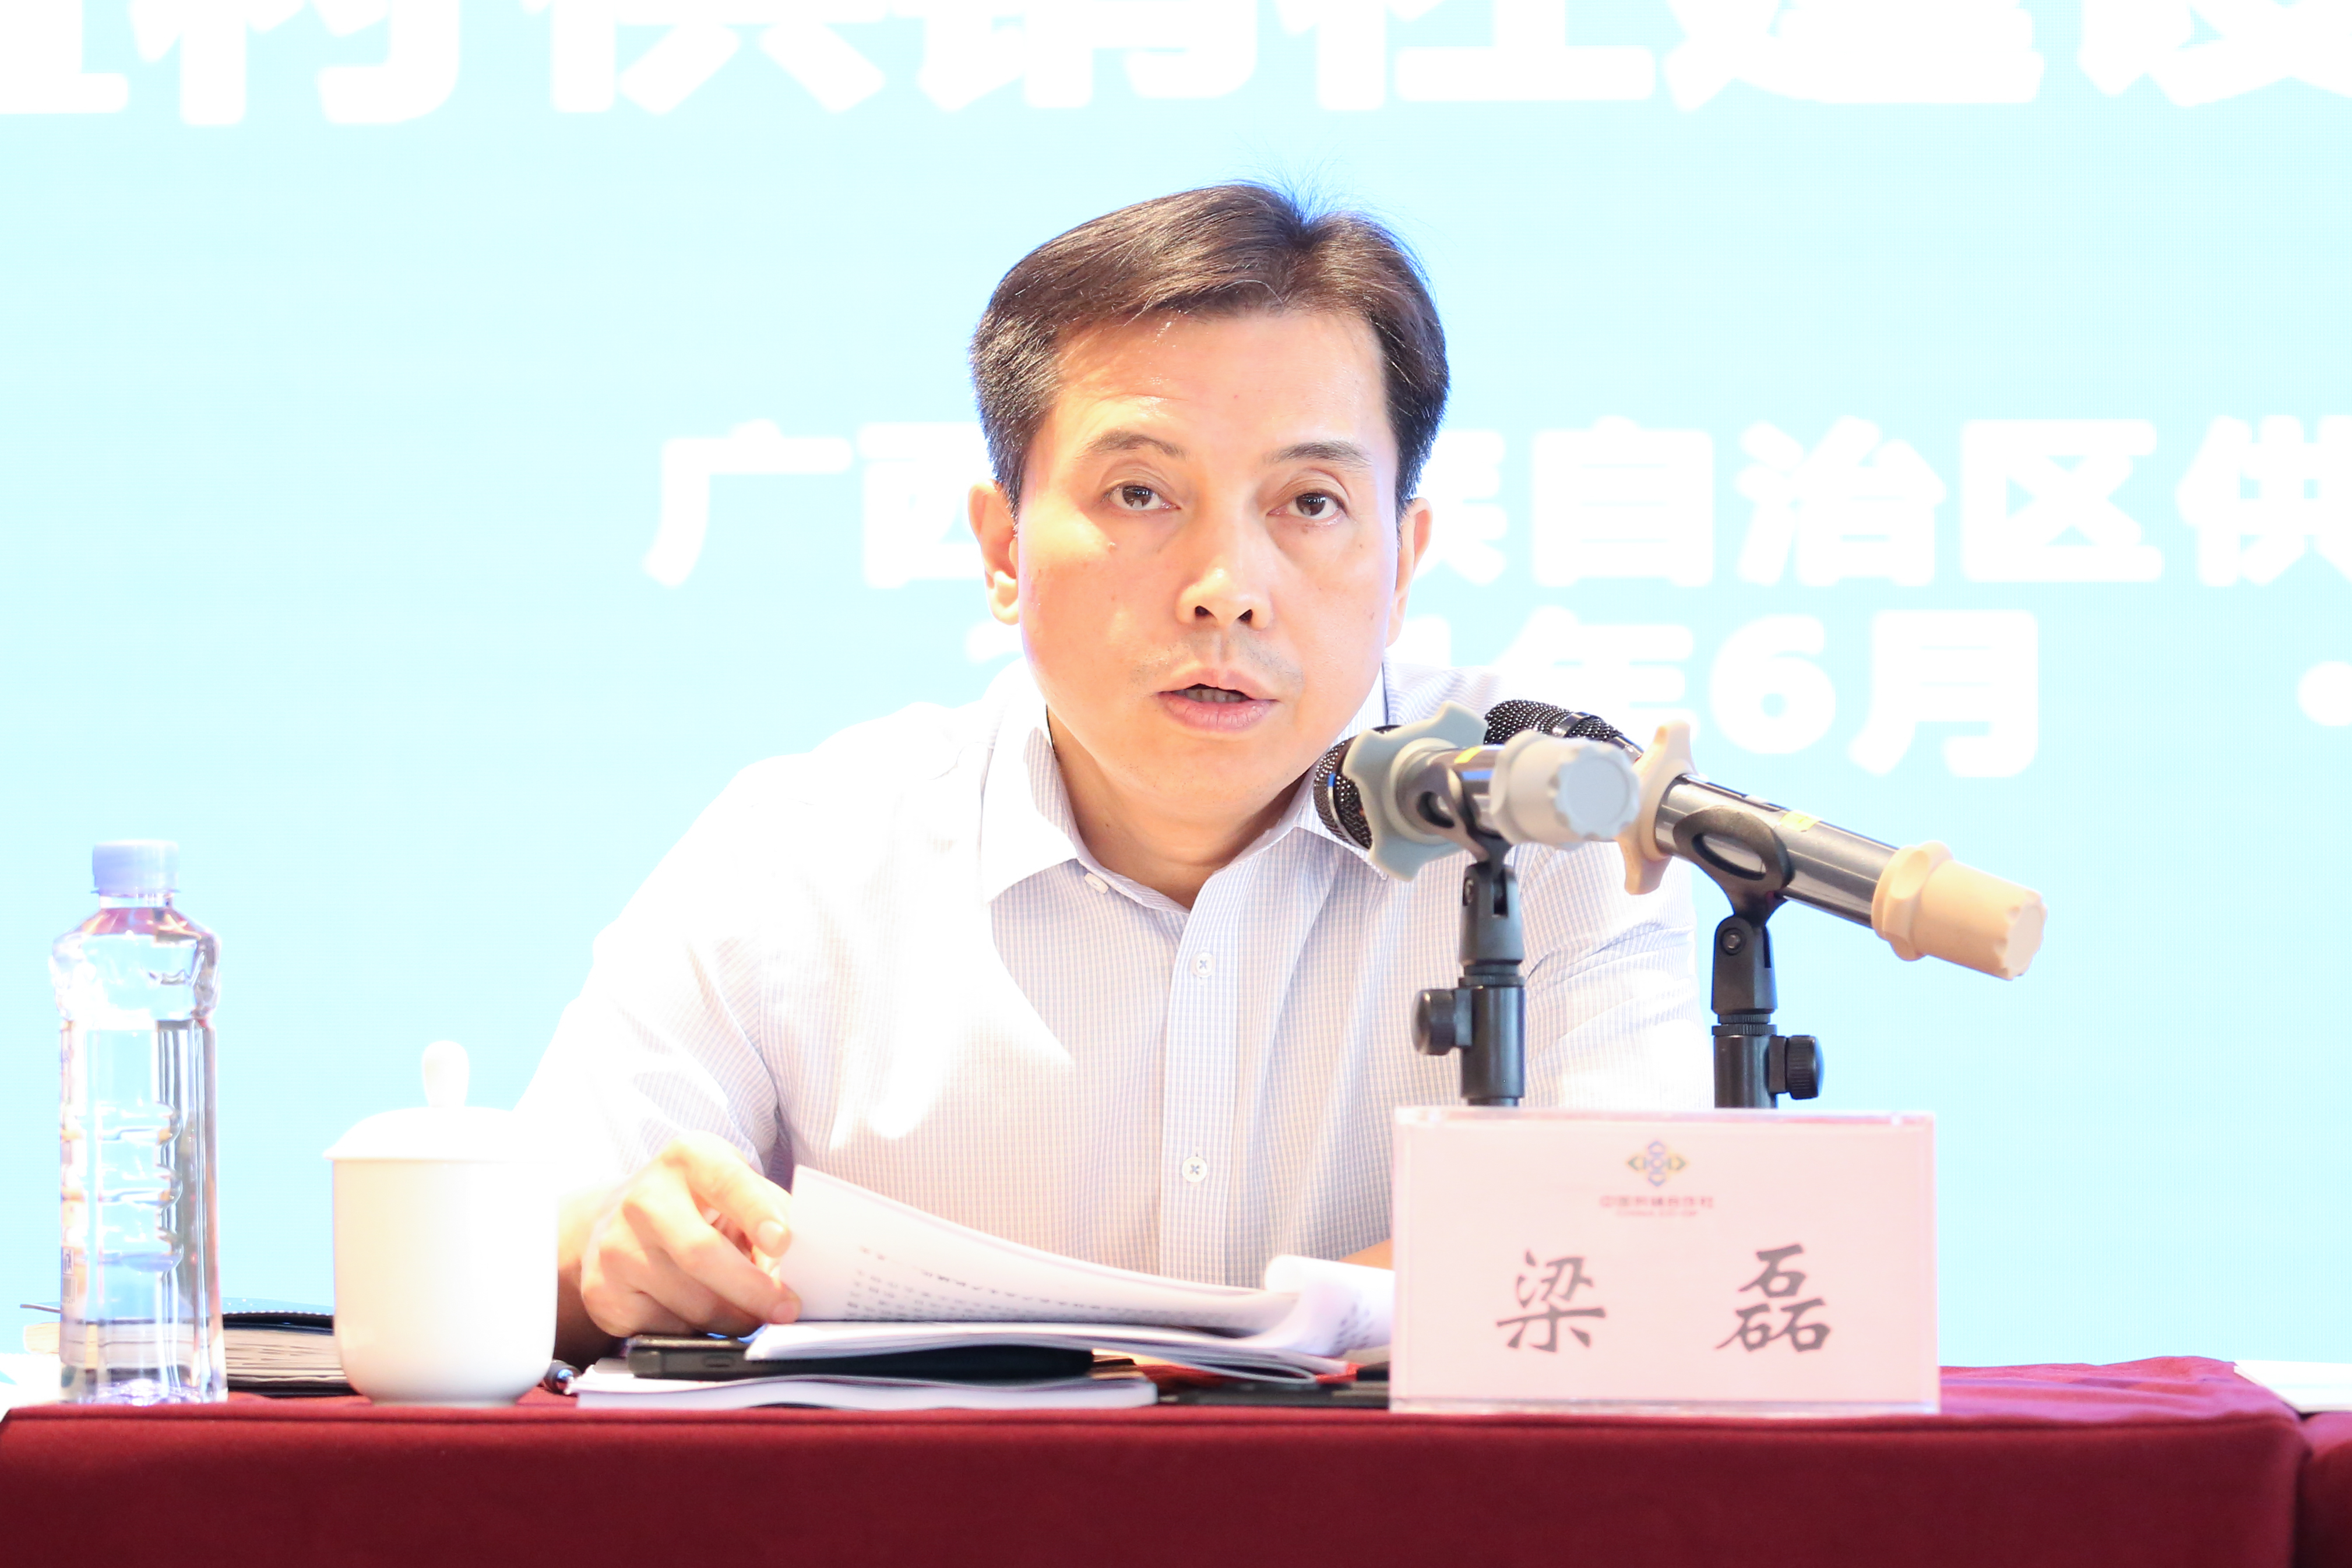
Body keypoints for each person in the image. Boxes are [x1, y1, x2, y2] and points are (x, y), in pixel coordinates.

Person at [520, 184, 1709, 1366]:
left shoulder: (1553, 818)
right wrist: (609, 1255)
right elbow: (529, 1241)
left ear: (1401, 559)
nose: (1225, 588)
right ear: (1003, 550)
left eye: (1310, 502)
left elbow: (1643, 1231)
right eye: (1139, 493)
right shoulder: (802, 858)